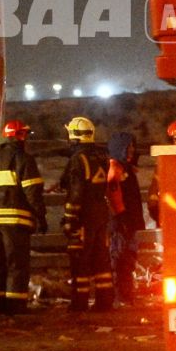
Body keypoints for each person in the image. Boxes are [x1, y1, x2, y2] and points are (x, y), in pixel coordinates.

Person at [0, 120, 46, 314]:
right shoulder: (24, 159)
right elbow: (32, 192)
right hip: (16, 220)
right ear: (19, 136)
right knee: (16, 263)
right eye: (24, 134)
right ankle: (15, 307)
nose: (26, 138)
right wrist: (41, 216)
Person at [59, 116, 114, 312]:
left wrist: (70, 219)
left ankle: (80, 303)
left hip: (84, 216)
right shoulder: (101, 157)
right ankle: (104, 301)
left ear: (73, 136)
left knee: (80, 259)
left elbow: (76, 192)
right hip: (101, 214)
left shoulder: (77, 159)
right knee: (101, 259)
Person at [106, 132, 145, 307]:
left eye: (132, 147)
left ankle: (126, 296)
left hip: (128, 222)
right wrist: (121, 217)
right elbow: (114, 194)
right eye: (128, 147)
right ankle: (121, 296)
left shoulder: (126, 169)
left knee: (127, 259)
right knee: (120, 259)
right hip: (122, 223)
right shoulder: (116, 169)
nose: (132, 150)